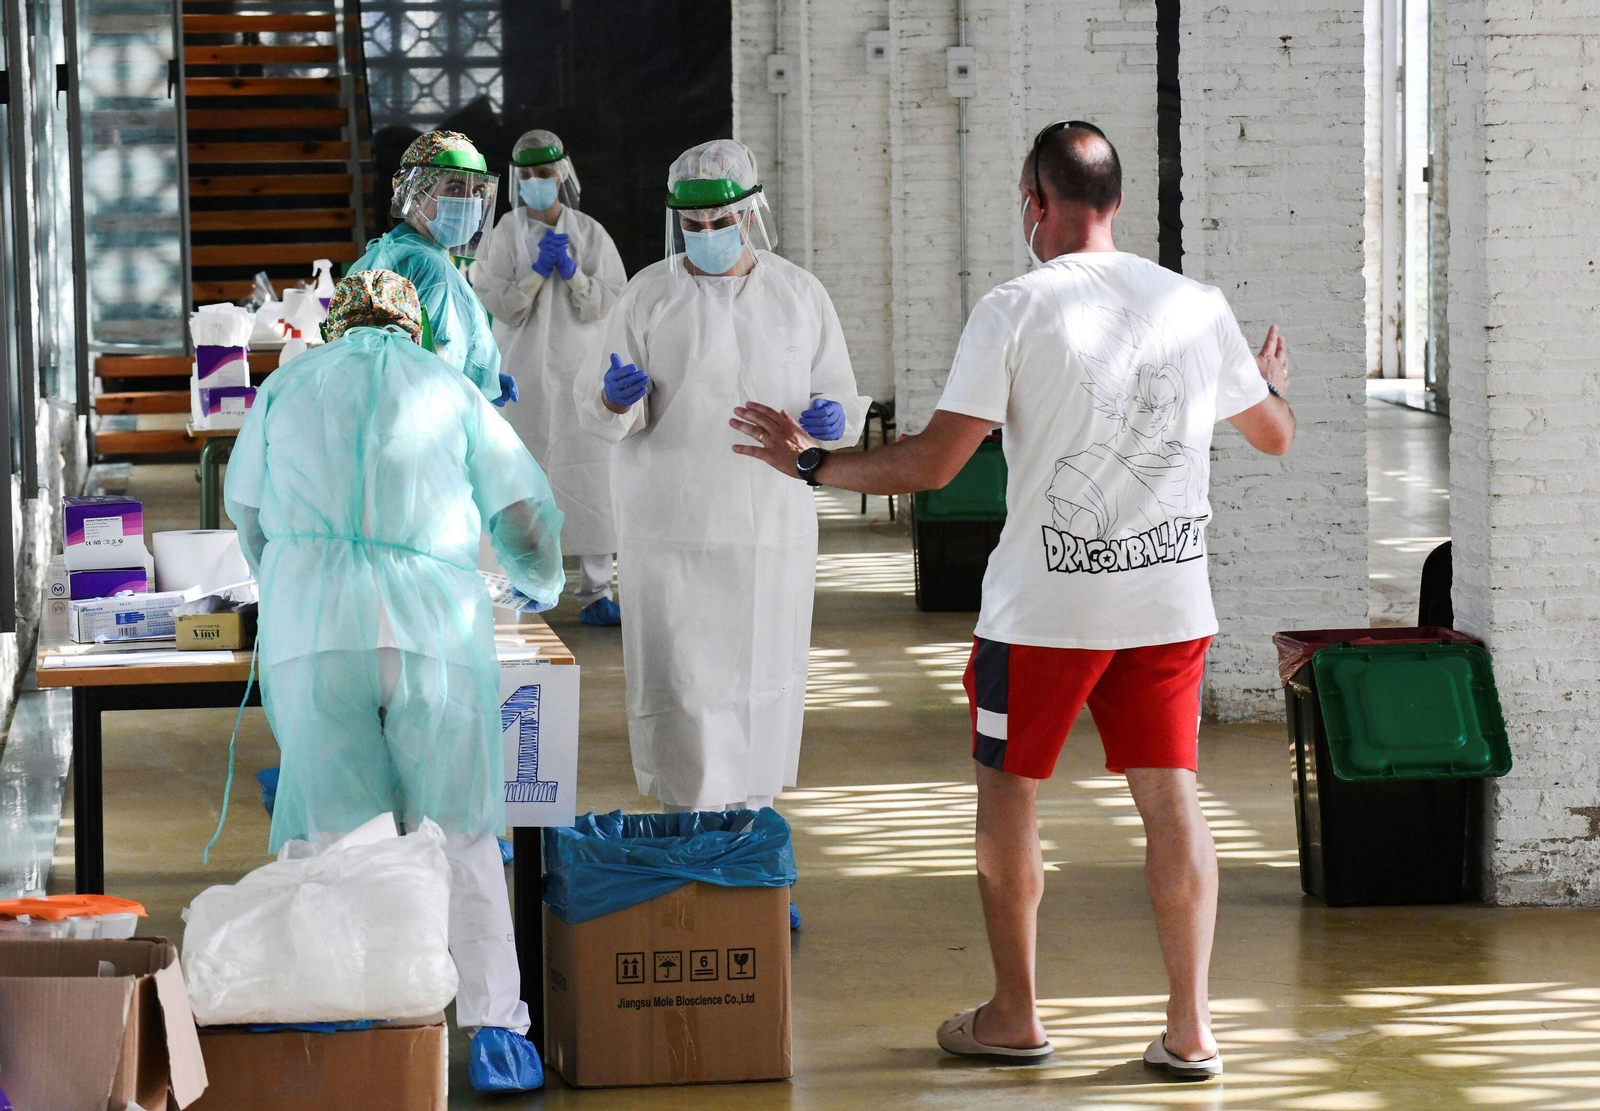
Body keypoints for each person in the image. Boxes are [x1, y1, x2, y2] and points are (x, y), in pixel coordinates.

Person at [728, 122, 1295, 1079]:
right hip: (1167, 603)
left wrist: (813, 463)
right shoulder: (1199, 307)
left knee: (1009, 794)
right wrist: (1268, 383)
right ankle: (1192, 1028)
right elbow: (1274, 435)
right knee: (1171, 800)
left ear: (1036, 203)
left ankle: (1016, 1014)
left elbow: (933, 463)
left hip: (1045, 611)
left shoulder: (1016, 307)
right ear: (1114, 201)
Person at [224, 269, 565, 1093]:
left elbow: (247, 512)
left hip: (317, 637)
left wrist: (299, 576)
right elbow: (522, 509)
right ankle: (494, 1032)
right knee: (461, 827)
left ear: (335, 324)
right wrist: (537, 580)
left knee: (338, 832)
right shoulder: (446, 386)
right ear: (414, 328)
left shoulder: (288, 386)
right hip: (429, 632)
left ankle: (361, 1019)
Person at [576, 139, 869, 813]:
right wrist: (616, 397)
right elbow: (598, 407)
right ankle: (692, 843)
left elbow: (841, 395)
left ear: (751, 212)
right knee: (680, 685)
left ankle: (748, 855)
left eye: (720, 222)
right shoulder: (649, 295)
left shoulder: (799, 296)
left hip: (768, 526)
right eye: (693, 225)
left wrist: (832, 420)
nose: (706, 237)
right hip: (670, 524)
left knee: (762, 679)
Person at [473, 130, 628, 626]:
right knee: (522, 476)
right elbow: (496, 302)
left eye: (545, 173)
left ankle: (597, 592)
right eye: (528, 175)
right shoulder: (503, 234)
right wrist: (537, 273)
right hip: (522, 376)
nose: (538, 183)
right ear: (516, 179)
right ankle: (525, 586)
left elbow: (608, 300)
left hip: (580, 371)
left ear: (562, 173)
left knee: (592, 475)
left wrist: (575, 274)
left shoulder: (590, 233)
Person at [352, 130, 513, 405]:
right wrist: (474, 385)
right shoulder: (432, 268)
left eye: (476, 191)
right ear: (414, 195)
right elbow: (441, 362)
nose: (469, 201)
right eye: (454, 188)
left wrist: (482, 374)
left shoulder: (381, 251)